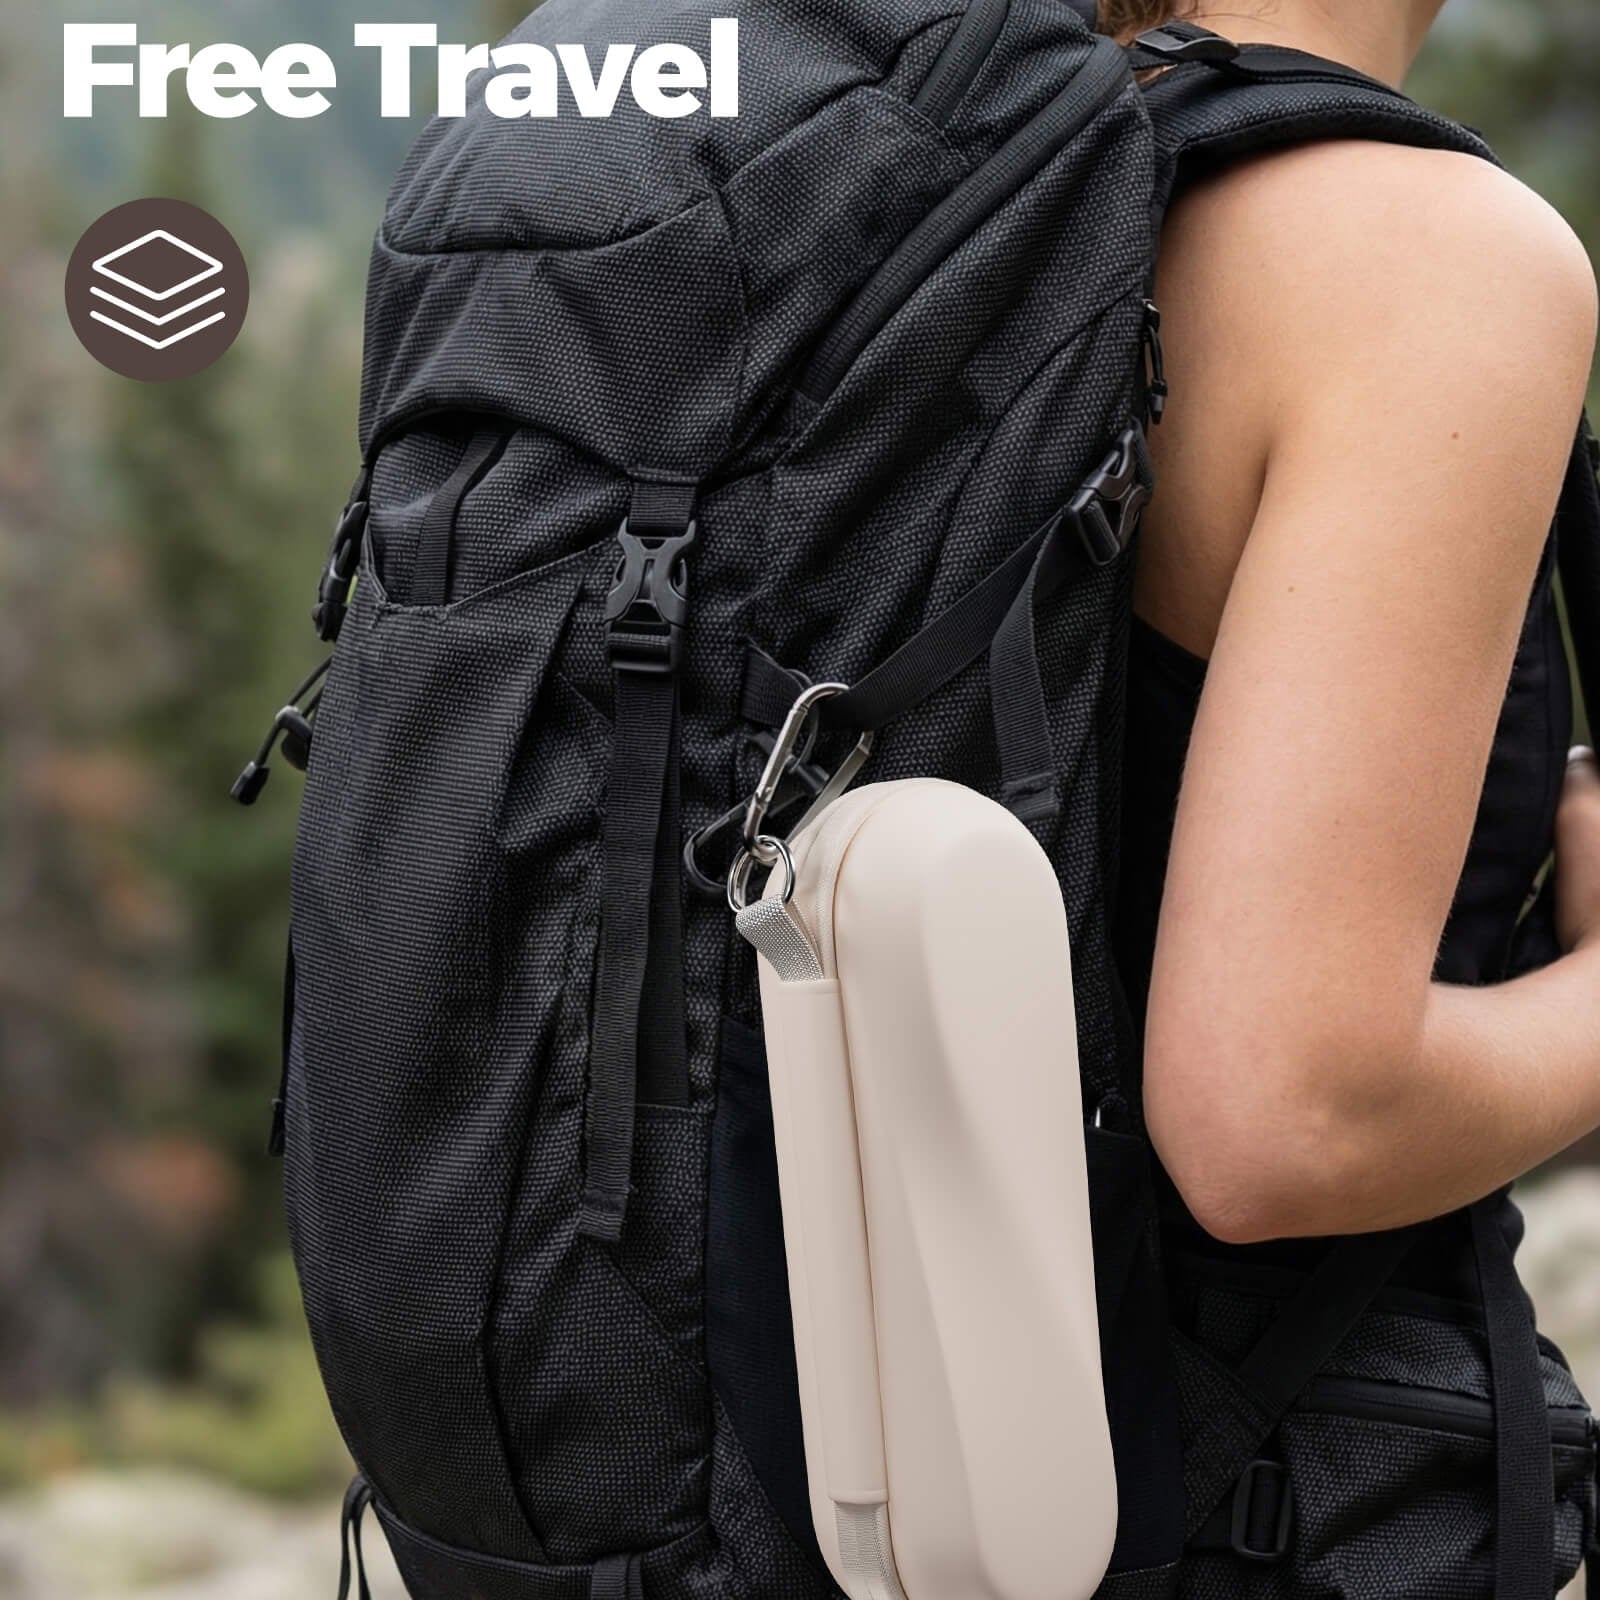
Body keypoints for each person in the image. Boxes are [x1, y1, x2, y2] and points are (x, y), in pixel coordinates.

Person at [1109, 0, 1600, 1590]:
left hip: (758, 1458)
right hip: (1248, 1502)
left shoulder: (920, 188)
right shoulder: (1413, 253)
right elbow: (1285, 1120)